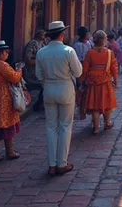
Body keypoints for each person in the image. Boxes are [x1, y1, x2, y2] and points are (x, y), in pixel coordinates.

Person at [36, 21, 83, 176]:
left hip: (48, 89)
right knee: (65, 126)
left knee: (51, 127)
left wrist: (48, 82)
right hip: (65, 89)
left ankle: (51, 164)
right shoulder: (68, 51)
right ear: (62, 34)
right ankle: (61, 163)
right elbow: (78, 73)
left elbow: (38, 75)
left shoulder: (41, 52)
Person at [79, 30, 118, 134]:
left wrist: (82, 79)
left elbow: (85, 68)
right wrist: (115, 80)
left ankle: (95, 128)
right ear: (105, 40)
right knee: (107, 104)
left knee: (95, 105)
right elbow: (114, 68)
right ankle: (107, 123)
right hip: (105, 81)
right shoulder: (109, 53)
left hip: (92, 82)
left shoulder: (90, 53)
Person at [24, 29, 46, 111]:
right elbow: (28, 60)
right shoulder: (33, 43)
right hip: (32, 71)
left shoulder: (42, 44)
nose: (44, 37)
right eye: (42, 35)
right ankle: (38, 105)